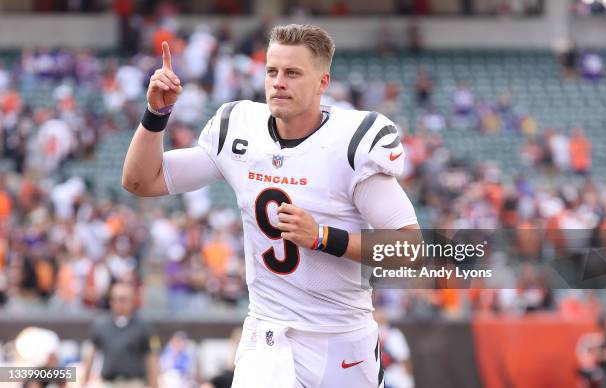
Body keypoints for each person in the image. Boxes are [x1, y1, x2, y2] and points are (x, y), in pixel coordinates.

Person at [122, 24, 419, 388]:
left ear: (323, 82)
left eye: (293, 73)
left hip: (341, 338)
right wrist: (155, 113)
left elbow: (411, 249)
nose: (278, 82)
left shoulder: (351, 144)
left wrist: (324, 237)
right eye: (272, 71)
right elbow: (141, 181)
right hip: (267, 335)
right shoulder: (239, 129)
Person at [83, 282, 160, 388]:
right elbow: (91, 353)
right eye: (115, 299)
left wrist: (154, 384)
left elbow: (151, 358)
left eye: (123, 299)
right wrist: (84, 381)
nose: (119, 303)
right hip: (109, 383)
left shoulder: (142, 326)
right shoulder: (102, 325)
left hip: (134, 383)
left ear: (132, 301)